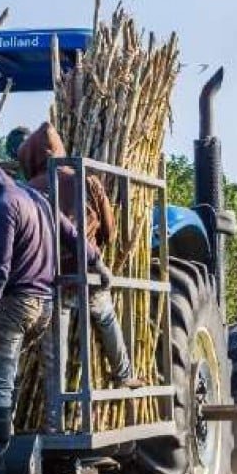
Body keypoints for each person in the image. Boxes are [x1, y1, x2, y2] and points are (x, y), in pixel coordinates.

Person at [0, 157, 110, 474]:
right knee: (7, 371)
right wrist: (98, 263)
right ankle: (6, 440)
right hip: (45, 306)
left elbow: (0, 265)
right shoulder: (37, 199)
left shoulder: (4, 206)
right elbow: (73, 235)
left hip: (16, 303)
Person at [17, 122, 141, 389]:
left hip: (51, 276)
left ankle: (57, 415)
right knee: (106, 317)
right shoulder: (87, 181)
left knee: (56, 350)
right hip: (89, 270)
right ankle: (124, 374)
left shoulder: (28, 190)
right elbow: (110, 232)